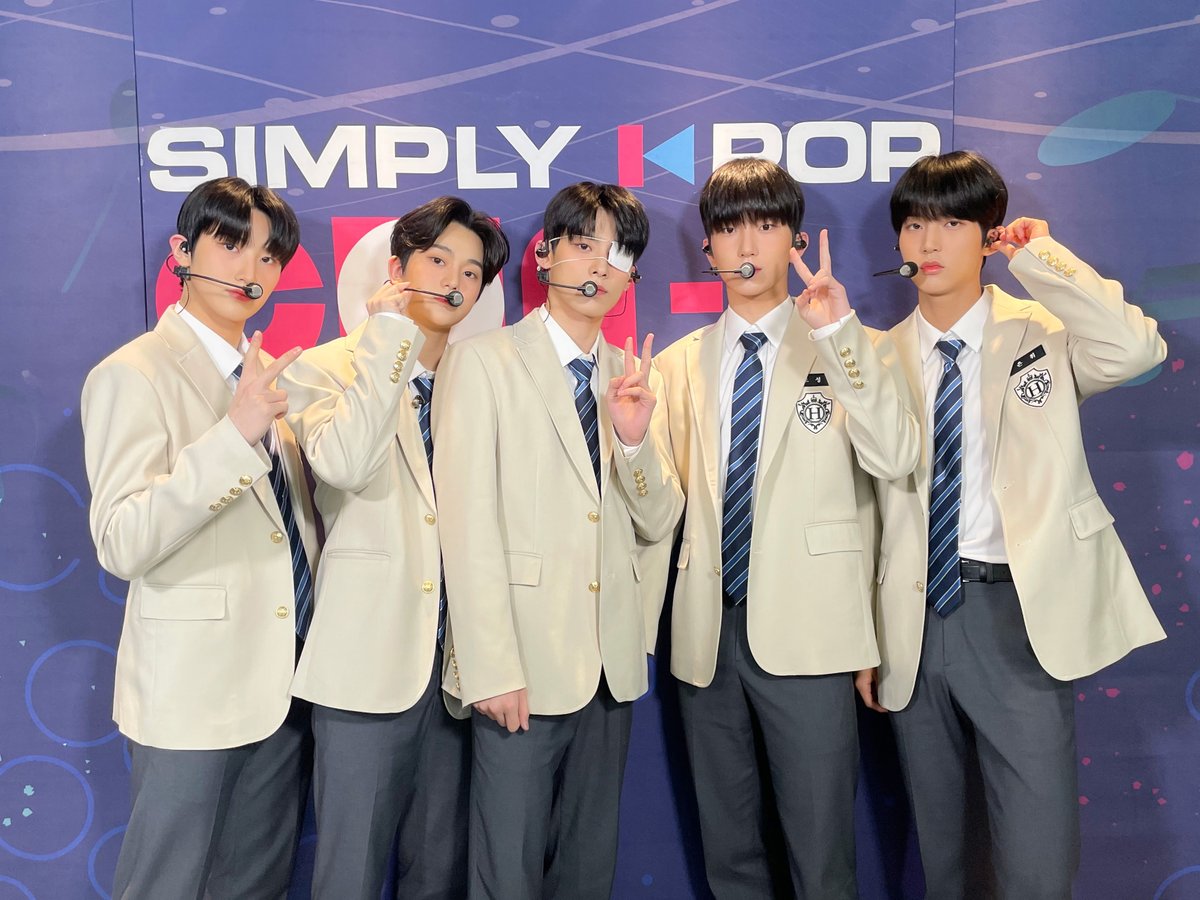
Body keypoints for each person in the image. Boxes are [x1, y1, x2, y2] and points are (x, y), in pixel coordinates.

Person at [865, 149, 1167, 899]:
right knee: (943, 852)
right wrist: (865, 634)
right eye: (915, 224)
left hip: (1017, 613)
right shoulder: (875, 356)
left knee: (1036, 858)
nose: (929, 242)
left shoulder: (1044, 331)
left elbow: (1137, 349)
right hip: (912, 618)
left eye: (952, 223)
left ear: (988, 235)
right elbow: (866, 507)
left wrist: (1040, 257)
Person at [650, 157, 921, 899]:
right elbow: (659, 512)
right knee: (730, 853)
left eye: (765, 226)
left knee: (820, 852)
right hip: (707, 638)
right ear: (707, 247)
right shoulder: (675, 366)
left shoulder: (851, 344)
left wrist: (839, 335)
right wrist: (634, 447)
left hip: (814, 635)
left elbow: (895, 456)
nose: (746, 245)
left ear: (796, 241)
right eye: (729, 228)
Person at [432, 181, 684, 899]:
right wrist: (490, 666)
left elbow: (658, 520)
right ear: (545, 255)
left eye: (619, 253)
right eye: (584, 244)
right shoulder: (482, 362)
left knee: (587, 869)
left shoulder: (632, 375)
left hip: (609, 666)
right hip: (520, 666)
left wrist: (633, 445)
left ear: (632, 277)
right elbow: (466, 526)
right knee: (506, 871)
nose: (600, 265)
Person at [81, 176, 316, 898]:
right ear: (183, 251)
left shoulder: (272, 376)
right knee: (167, 883)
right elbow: (122, 539)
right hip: (191, 689)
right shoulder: (133, 372)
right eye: (232, 244)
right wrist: (233, 437)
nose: (251, 269)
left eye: (269, 255)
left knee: (255, 885)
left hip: (284, 682)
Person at [281, 196, 509, 900]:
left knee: (436, 873)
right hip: (366, 662)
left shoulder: (483, 379)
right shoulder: (323, 368)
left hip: (457, 667)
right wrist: (387, 343)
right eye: (437, 260)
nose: (452, 281)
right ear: (397, 267)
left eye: (470, 272)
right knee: (347, 873)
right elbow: (344, 465)